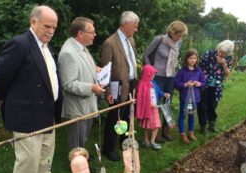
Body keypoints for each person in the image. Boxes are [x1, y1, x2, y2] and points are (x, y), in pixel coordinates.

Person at [0, 5, 62, 173]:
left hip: (47, 116)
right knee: (28, 166)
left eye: (54, 27)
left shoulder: (47, 47)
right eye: (47, 26)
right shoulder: (19, 44)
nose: (51, 31)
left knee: (44, 163)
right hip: (27, 118)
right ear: (33, 22)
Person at [58, 17, 105, 156]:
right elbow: (68, 84)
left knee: (82, 138)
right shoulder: (68, 53)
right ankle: (77, 167)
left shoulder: (81, 47)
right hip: (77, 107)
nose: (95, 35)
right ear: (80, 34)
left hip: (86, 105)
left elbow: (81, 67)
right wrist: (92, 87)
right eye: (92, 32)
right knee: (77, 141)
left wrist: (95, 68)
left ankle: (81, 160)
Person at [100, 11, 139, 161]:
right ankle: (108, 148)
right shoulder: (110, 43)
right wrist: (108, 90)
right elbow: (105, 70)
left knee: (128, 115)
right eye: (135, 26)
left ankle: (125, 142)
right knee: (115, 117)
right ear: (125, 24)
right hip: (118, 85)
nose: (136, 29)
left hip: (131, 83)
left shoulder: (131, 40)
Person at [143, 20, 188, 142]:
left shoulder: (179, 43)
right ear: (172, 32)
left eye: (181, 36)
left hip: (171, 76)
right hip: (157, 76)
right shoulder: (159, 40)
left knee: (167, 103)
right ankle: (155, 131)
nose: (179, 38)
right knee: (155, 104)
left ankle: (166, 129)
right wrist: (150, 71)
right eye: (178, 35)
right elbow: (146, 55)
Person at [197, 40, 234, 134]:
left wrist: (224, 64)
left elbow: (228, 74)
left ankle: (212, 124)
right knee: (202, 105)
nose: (221, 54)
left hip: (217, 86)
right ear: (218, 48)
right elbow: (199, 68)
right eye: (220, 51)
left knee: (213, 105)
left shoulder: (229, 58)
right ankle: (203, 126)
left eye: (224, 53)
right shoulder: (208, 54)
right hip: (204, 85)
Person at [174, 49, 205, 144]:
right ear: (187, 59)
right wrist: (185, 84)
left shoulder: (199, 71)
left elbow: (204, 83)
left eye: (195, 58)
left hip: (195, 98)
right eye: (191, 58)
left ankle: (191, 133)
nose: (193, 60)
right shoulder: (182, 71)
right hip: (184, 98)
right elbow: (176, 83)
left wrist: (198, 83)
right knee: (183, 115)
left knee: (192, 115)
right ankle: (182, 134)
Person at [136, 64, 170, 149]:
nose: (154, 76)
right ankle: (146, 140)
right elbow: (141, 99)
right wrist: (149, 105)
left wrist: (163, 94)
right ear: (147, 74)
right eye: (152, 74)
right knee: (146, 125)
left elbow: (158, 92)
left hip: (154, 109)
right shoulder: (142, 84)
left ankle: (152, 141)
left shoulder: (153, 83)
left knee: (157, 125)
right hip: (147, 109)